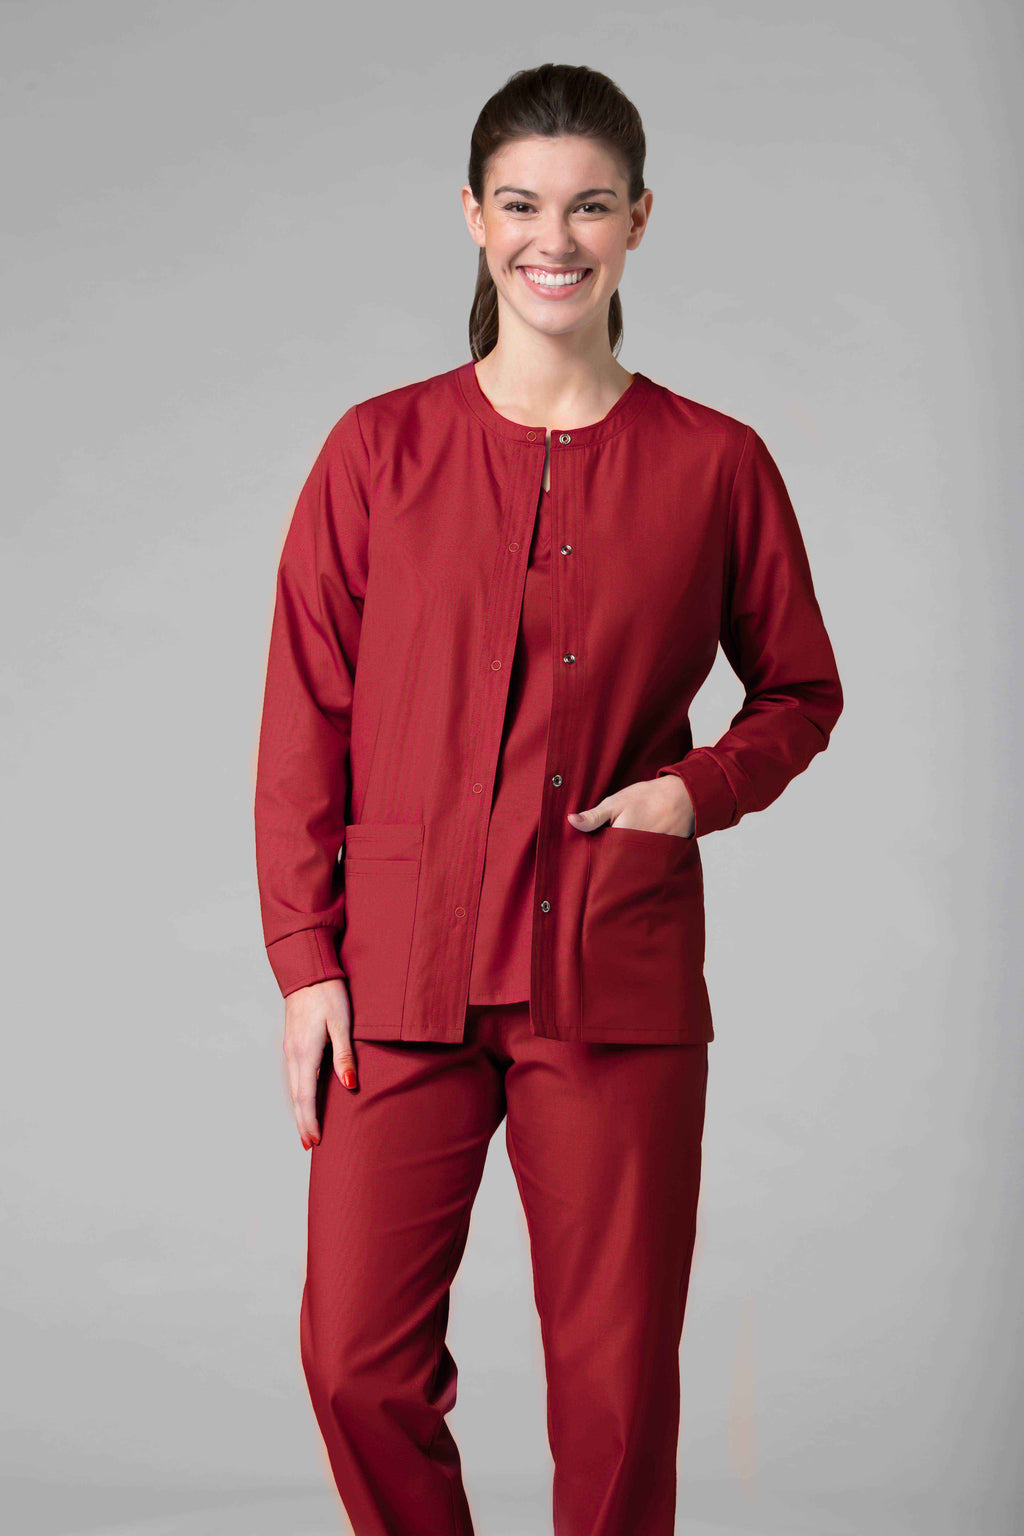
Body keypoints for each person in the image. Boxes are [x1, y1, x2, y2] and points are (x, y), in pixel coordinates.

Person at [253, 61, 843, 1536]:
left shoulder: (716, 464)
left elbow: (801, 691)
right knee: (353, 1362)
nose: (554, 239)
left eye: (589, 207)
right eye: (522, 205)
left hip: (612, 967)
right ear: (473, 216)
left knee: (617, 1387)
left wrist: (696, 793)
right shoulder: (377, 451)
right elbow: (305, 718)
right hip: (402, 972)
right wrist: (306, 962)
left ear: (639, 219)